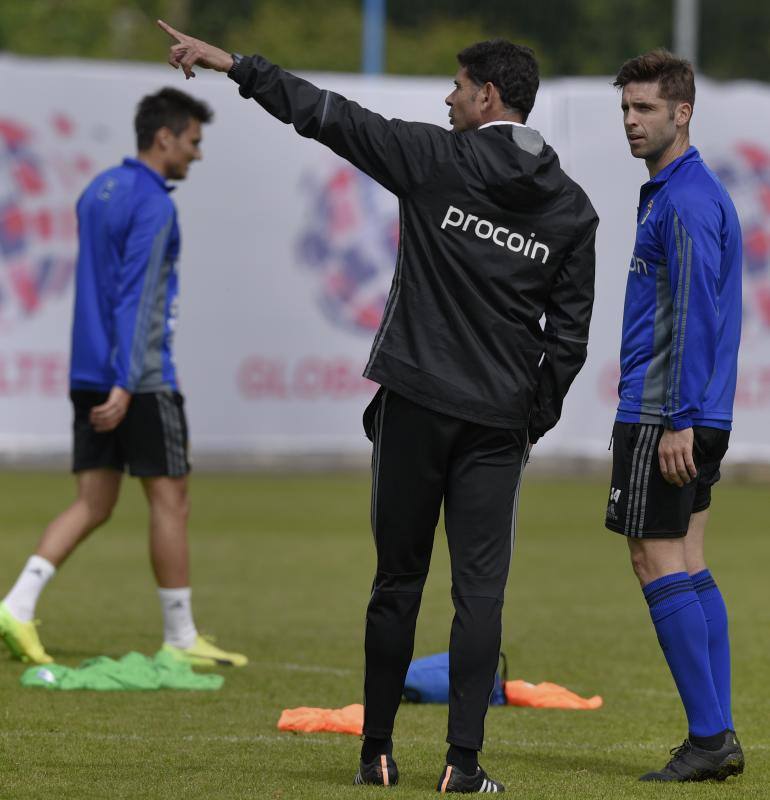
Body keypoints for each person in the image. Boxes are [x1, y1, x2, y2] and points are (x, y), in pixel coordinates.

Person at [157, 21, 597, 792]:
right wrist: (531, 416)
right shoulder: (570, 207)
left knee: (398, 580)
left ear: (489, 94)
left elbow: (322, 113)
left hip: (416, 405)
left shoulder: (433, 158)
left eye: (459, 87)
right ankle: (463, 765)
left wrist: (233, 64)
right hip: (497, 422)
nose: (448, 96)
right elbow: (569, 339)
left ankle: (379, 755)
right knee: (480, 594)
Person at [0, 87, 246, 670]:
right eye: (193, 141)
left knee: (94, 500)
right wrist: (126, 381)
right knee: (171, 498)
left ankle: (17, 603)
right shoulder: (155, 204)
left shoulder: (97, 190)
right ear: (165, 137)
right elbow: (135, 297)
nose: (197, 154)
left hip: (87, 368)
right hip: (137, 377)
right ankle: (181, 637)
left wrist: (106, 375)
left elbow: (101, 287)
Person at [606, 50, 743, 782]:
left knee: (652, 558)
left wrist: (679, 419)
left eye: (645, 109)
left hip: (668, 411)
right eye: (626, 109)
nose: (631, 121)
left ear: (681, 112)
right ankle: (720, 733)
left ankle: (709, 737)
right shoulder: (691, 191)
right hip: (696, 408)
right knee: (689, 560)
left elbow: (693, 313)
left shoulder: (684, 198)